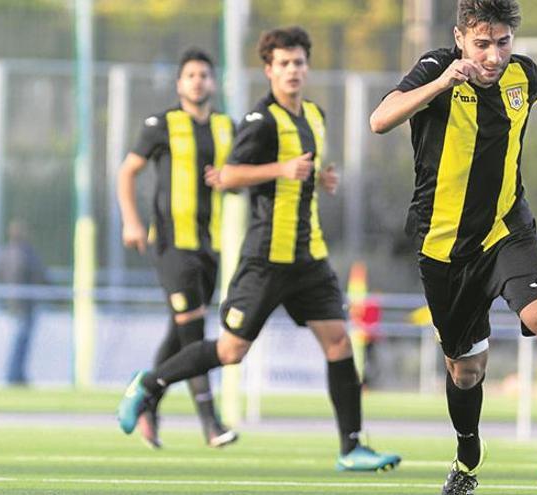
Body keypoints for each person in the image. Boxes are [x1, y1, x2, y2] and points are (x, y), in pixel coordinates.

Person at [369, 0, 537, 492]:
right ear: (460, 39)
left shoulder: (521, 76)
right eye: (482, 44)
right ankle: (467, 459)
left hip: (507, 232)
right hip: (445, 251)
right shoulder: (436, 70)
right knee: (466, 372)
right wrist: (440, 84)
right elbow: (379, 119)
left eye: (502, 43)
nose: (493, 56)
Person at [118, 27, 401, 472]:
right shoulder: (258, 120)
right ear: (269, 70)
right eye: (283, 63)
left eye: (299, 63)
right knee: (230, 352)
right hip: (265, 258)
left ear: (307, 67)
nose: (292, 70)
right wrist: (281, 168)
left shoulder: (315, 115)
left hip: (309, 257)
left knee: (339, 341)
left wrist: (319, 178)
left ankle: (352, 448)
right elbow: (228, 176)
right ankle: (150, 384)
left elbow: (300, 173)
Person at [116, 47, 237, 449]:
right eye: (190, 75)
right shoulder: (161, 124)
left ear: (213, 82)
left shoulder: (226, 127)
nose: (198, 81)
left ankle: (147, 396)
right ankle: (211, 423)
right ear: (179, 83)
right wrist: (131, 220)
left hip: (210, 246)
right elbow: (127, 171)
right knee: (193, 330)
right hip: (171, 244)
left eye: (204, 74)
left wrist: (232, 180)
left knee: (180, 330)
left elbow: (239, 176)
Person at [0, 219, 47, 386]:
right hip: (25, 305)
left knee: (19, 341)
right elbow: (40, 275)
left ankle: (15, 374)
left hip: (12, 305)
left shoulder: (4, 253)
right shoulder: (26, 254)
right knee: (20, 342)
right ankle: (14, 375)